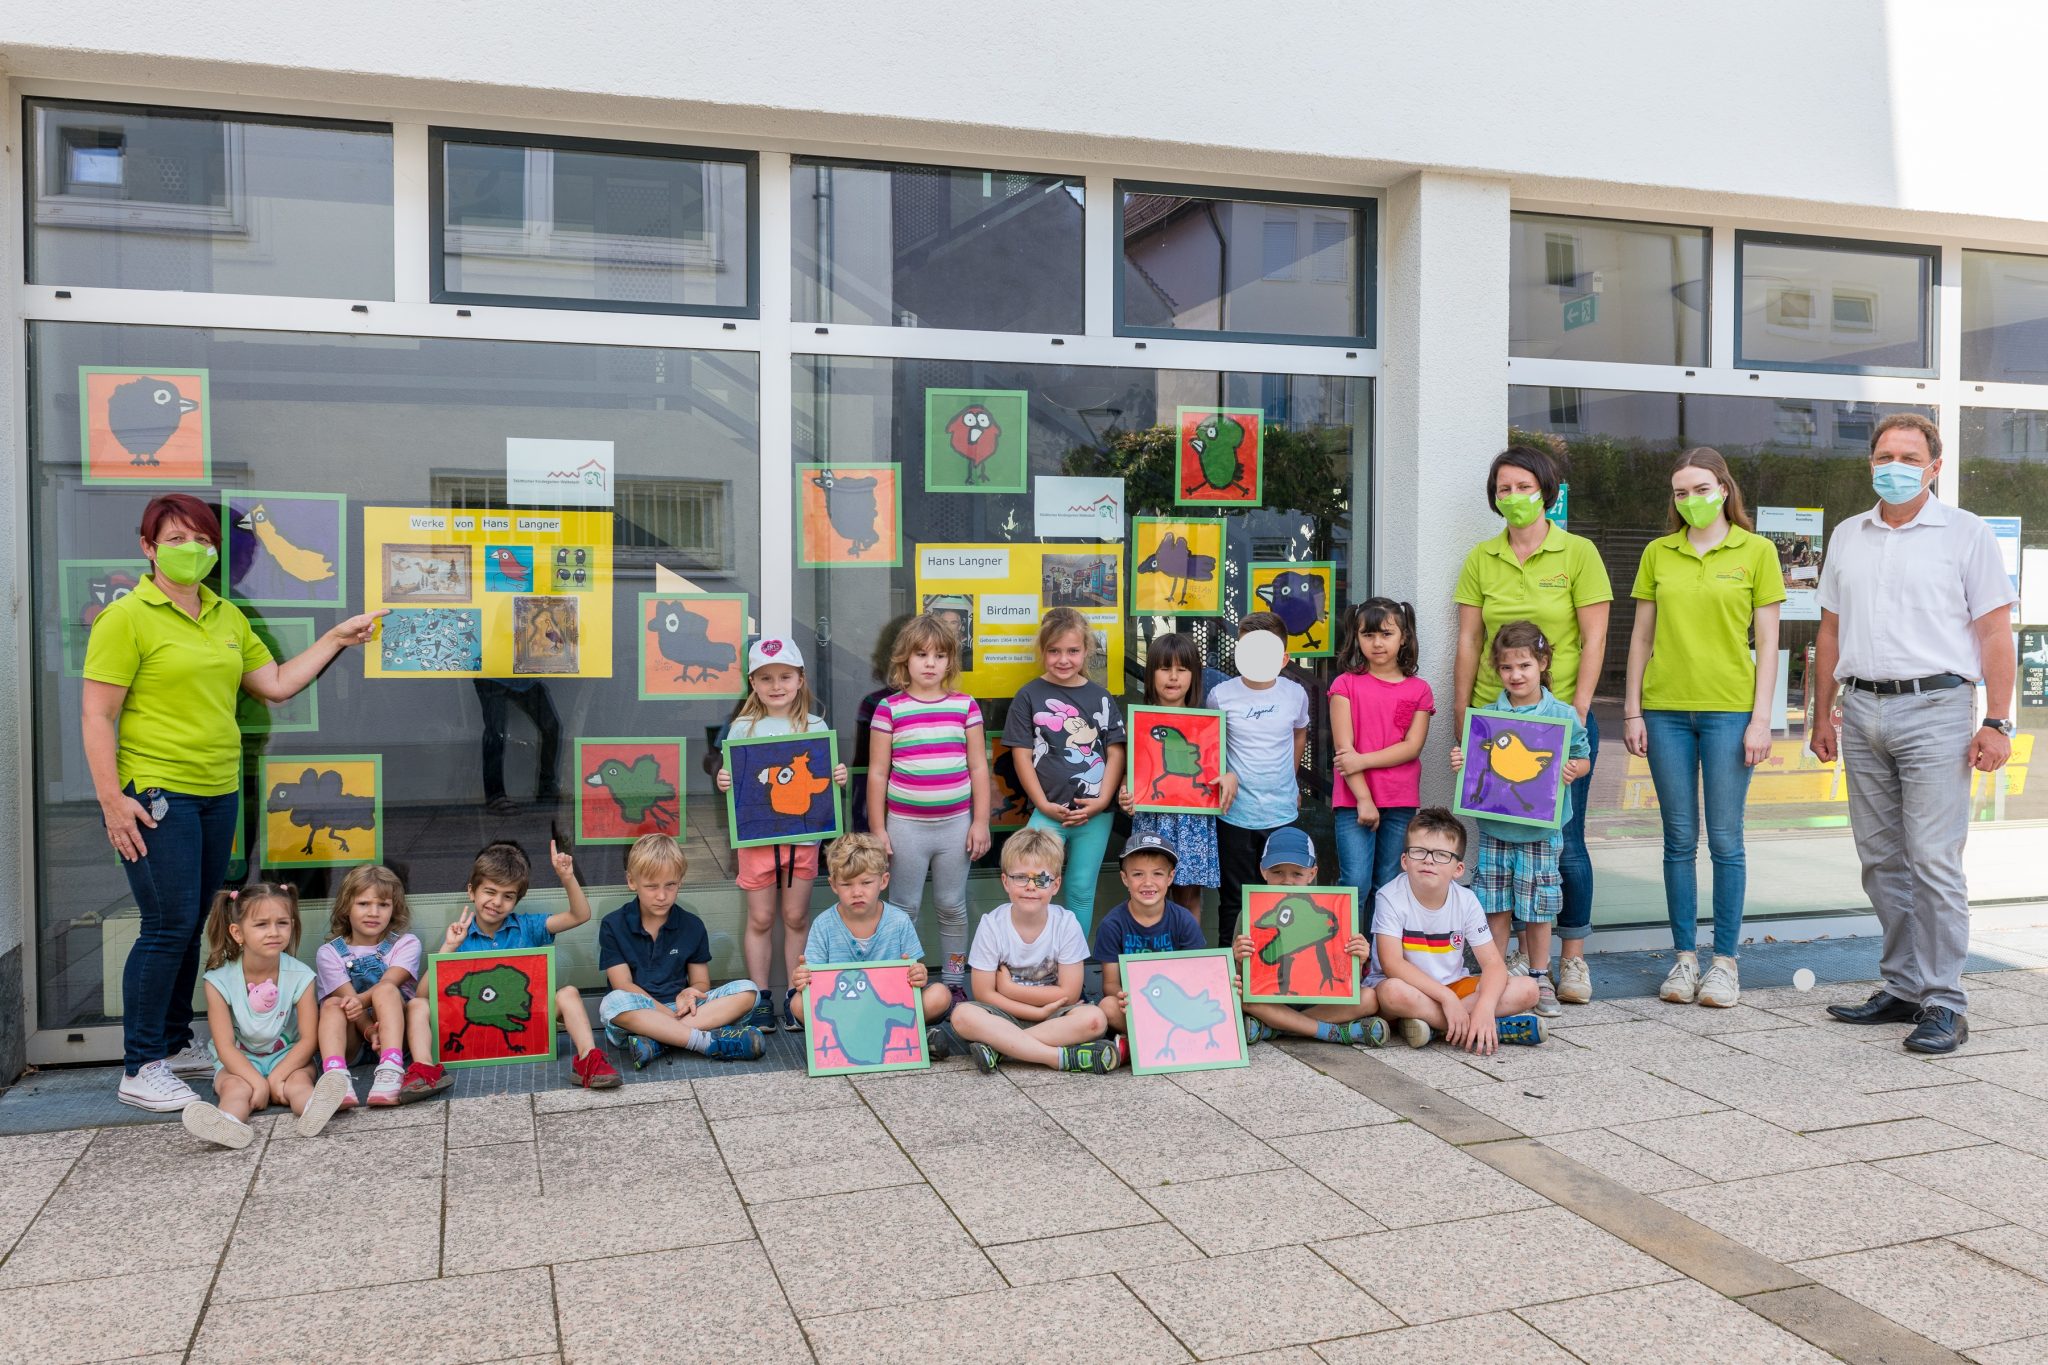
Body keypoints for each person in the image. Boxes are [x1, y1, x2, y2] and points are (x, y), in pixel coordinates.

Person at [83, 492, 384, 1112]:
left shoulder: (225, 614)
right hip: (157, 792)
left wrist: (334, 638)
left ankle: (171, 1041)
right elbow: (96, 714)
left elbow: (274, 684)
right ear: (148, 548)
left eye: (200, 539)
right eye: (174, 539)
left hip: (219, 791)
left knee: (191, 920)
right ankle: (140, 1064)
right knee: (164, 925)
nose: (190, 550)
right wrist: (113, 801)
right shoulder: (127, 617)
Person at [1813, 413, 2019, 1055]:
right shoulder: (1849, 534)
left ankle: (1945, 1002)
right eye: (1882, 455)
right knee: (1880, 860)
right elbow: (1828, 632)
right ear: (1869, 463)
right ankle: (1903, 986)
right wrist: (1820, 712)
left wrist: (1997, 719)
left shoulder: (1966, 534)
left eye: (1908, 456)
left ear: (1933, 467)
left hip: (1937, 709)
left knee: (1932, 859)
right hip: (1861, 710)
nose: (1892, 465)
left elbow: (1993, 633)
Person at [1623, 449, 1786, 1009]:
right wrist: (1632, 710)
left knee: (1725, 841)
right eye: (1679, 492)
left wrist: (1762, 720)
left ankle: (1725, 963)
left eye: (1699, 488)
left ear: (1723, 488)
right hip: (1665, 711)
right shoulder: (1657, 553)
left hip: (1729, 713)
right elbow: (1640, 638)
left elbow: (1768, 645)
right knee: (1676, 841)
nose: (1689, 500)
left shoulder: (1756, 551)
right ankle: (1683, 958)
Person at [1453, 446, 1612, 1004]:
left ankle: (1571, 960)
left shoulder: (1579, 553)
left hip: (1555, 723)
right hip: (1494, 723)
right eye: (1504, 488)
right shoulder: (1481, 558)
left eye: (1524, 486)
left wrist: (1579, 713)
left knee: (1564, 844)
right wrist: (1462, 719)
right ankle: (1509, 964)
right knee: (1499, 848)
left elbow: (1595, 638)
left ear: (1547, 489)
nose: (1514, 497)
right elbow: (1471, 641)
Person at [398, 839, 621, 1098]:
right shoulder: (459, 937)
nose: (497, 902)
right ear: (472, 891)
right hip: (471, 1026)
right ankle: (425, 1070)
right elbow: (423, 995)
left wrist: (567, 877)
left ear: (517, 900)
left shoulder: (528, 926)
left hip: (525, 1022)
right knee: (416, 1006)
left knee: (568, 992)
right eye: (490, 892)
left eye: (508, 896)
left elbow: (579, 915)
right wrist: (448, 948)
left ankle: (589, 1060)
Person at [1453, 622, 1590, 1018]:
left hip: (1541, 831)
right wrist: (1462, 762)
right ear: (1498, 670)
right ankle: (1493, 978)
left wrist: (1573, 769)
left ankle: (1539, 975)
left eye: (1525, 665)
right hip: (1496, 829)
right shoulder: (1489, 716)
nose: (1516, 675)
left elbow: (1583, 756)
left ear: (1543, 663)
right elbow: (1474, 763)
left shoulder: (1561, 715)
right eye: (1507, 668)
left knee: (1538, 908)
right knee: (1494, 905)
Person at [715, 637, 850, 1033]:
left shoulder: (815, 726)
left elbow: (821, 781)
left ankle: (796, 993)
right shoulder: (742, 727)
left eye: (785, 676)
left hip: (803, 839)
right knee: (759, 918)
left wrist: (836, 777)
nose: (777, 685)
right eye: (766, 677)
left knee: (795, 916)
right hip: (757, 841)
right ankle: (759, 996)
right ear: (753, 683)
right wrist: (724, 779)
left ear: (800, 679)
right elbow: (735, 778)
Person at [866, 612, 992, 1002]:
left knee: (952, 905)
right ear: (905, 659)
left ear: (950, 662)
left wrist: (981, 822)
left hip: (956, 825)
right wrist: (878, 829)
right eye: (921, 654)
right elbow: (876, 774)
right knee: (902, 908)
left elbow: (977, 767)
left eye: (939, 655)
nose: (930, 663)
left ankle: (954, 983)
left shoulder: (965, 706)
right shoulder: (890, 710)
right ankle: (901, 982)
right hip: (905, 826)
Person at [179, 883, 351, 1149]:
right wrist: (256, 1081)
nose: (274, 932)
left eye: (282, 923)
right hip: (239, 1059)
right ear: (238, 932)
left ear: (292, 925)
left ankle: (312, 1109)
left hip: (289, 1056)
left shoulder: (301, 976)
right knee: (236, 1090)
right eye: (261, 925)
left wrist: (277, 1077)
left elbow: (307, 1040)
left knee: (299, 1083)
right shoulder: (218, 980)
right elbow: (224, 1045)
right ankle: (228, 1123)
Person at [1372, 809, 1546, 1052]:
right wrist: (1446, 999)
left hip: (1454, 986)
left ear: (1458, 869)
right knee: (1391, 992)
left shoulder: (1466, 900)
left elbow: (1494, 965)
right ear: (1405, 860)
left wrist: (1485, 1006)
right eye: (1419, 851)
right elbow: (1393, 965)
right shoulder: (1390, 897)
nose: (1429, 860)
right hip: (1410, 989)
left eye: (1442, 855)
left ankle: (1435, 1027)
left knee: (1528, 989)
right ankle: (1487, 1028)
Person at [949, 829, 1119, 1074]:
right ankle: (1056, 1057)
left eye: (1041, 879)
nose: (1030, 886)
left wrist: (1009, 988)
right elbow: (984, 993)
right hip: (1004, 1014)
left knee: (1094, 1019)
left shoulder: (1066, 923)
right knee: (962, 1015)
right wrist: (1034, 1011)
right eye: (1020, 878)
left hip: (1055, 1016)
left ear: (1056, 885)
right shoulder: (992, 924)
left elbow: (1069, 995)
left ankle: (1000, 1049)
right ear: (1006, 882)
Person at [1002, 607, 1127, 936]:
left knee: (1081, 890)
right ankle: (1033, 962)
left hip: (1094, 816)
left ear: (1086, 650)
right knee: (1033, 887)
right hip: (1047, 814)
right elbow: (1022, 754)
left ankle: (1075, 969)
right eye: (1054, 651)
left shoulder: (1100, 696)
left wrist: (1101, 801)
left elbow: (1115, 752)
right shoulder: (1028, 696)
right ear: (1042, 652)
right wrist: (1042, 804)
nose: (1063, 659)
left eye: (1072, 651)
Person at [597, 834, 765, 1068]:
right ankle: (703, 1041)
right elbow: (622, 985)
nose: (662, 895)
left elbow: (701, 983)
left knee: (749, 991)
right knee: (612, 1003)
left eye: (670, 885)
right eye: (651, 886)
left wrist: (690, 993)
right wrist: (668, 1017)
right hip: (640, 1013)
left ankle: (658, 1041)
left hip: (683, 1010)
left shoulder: (691, 925)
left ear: (680, 881)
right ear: (631, 881)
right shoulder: (613, 924)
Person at [789, 833, 955, 1056]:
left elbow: (915, 972)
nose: (857, 892)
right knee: (797, 1004)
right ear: (833, 885)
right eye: (847, 884)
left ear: (883, 881)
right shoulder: (824, 925)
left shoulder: (898, 921)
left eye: (866, 882)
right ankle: (913, 1036)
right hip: (845, 1013)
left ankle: (900, 1034)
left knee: (940, 994)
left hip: (885, 1008)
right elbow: (813, 982)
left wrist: (918, 974)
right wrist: (803, 979)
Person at [1207, 614, 1312, 947]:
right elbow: (1211, 746)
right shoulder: (1221, 695)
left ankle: (1279, 969)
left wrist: (1292, 780)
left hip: (1282, 814)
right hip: (1235, 815)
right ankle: (1231, 975)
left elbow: (1299, 733)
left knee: (1284, 898)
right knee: (1234, 900)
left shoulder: (1295, 695)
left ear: (1283, 658)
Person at [1232, 828, 1388, 1047]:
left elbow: (1344, 975)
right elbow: (1241, 978)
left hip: (1319, 1002)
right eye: (1277, 872)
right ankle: (1330, 1032)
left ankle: (1273, 1029)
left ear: (1312, 874)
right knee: (1240, 996)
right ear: (1263, 871)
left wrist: (1358, 958)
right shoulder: (1251, 912)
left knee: (1370, 998)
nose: (1287, 881)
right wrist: (1239, 960)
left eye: (1297, 874)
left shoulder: (1333, 910)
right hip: (1271, 1000)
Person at [1117, 633, 1236, 914]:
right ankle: (1154, 958)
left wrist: (1231, 778)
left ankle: (1188, 958)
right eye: (1164, 668)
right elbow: (1130, 773)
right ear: (1151, 674)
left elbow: (1221, 767)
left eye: (1182, 670)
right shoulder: (1138, 722)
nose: (1173, 677)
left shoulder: (1206, 723)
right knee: (1149, 895)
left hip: (1192, 821)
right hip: (1152, 818)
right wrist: (1125, 792)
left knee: (1188, 897)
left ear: (1194, 676)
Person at [1328, 597, 1434, 898]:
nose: (1377, 643)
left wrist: (1361, 760)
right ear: (1356, 637)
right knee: (1355, 885)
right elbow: (1343, 749)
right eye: (1368, 634)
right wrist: (1364, 799)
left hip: (1400, 800)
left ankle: (1380, 947)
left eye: (1386, 634)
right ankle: (1351, 947)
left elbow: (1412, 747)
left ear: (1404, 638)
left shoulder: (1419, 690)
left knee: (1388, 885)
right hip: (1353, 802)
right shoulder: (1345, 685)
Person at [313, 864, 422, 1109]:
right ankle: (335, 1078)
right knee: (332, 1004)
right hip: (354, 1039)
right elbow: (351, 1003)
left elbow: (390, 982)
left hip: (396, 1039)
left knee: (385, 989)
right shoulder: (329, 953)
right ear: (346, 907)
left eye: (383, 905)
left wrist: (377, 1027)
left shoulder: (406, 944)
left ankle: (392, 1068)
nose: (374, 912)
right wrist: (369, 1032)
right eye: (363, 904)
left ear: (394, 909)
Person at [1093, 832, 1208, 1047]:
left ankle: (1142, 1043)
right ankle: (1164, 1039)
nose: (1148, 883)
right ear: (1124, 878)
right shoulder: (1112, 924)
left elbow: (1197, 973)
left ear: (1170, 878)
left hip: (1178, 1003)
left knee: (1228, 996)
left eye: (1157, 874)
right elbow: (1109, 983)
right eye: (1138, 874)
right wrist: (1129, 998)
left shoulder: (1183, 920)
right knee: (1108, 1006)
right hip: (1135, 1004)